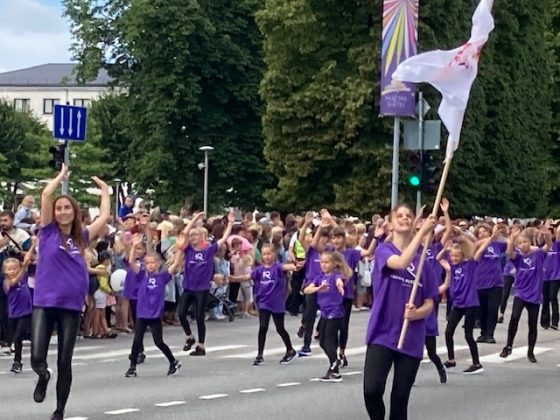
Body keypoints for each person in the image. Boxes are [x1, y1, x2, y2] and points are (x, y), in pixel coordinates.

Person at [31, 164, 110, 420]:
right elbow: (46, 195)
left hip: (71, 305)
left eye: (67, 208)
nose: (63, 212)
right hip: (45, 301)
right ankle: (43, 375)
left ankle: (59, 410)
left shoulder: (81, 237)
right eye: (59, 208)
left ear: (74, 212)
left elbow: (104, 217)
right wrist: (60, 177)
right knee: (37, 357)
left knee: (65, 361)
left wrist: (105, 191)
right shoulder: (48, 232)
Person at [363, 205, 436, 420]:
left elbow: (430, 302)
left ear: (413, 222)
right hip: (382, 333)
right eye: (399, 216)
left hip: (410, 337)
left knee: (399, 399)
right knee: (372, 390)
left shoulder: (423, 263)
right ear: (391, 224)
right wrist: (422, 233)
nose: (404, 218)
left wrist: (417, 313)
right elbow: (401, 262)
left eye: (408, 216)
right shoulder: (383, 251)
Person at [438, 226, 497, 375]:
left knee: (468, 335)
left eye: (457, 256)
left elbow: (478, 248)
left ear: (462, 255)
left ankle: (476, 363)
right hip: (458, 303)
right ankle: (451, 359)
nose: (454, 258)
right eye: (453, 256)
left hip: (470, 303)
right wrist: (445, 249)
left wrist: (487, 238)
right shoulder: (452, 266)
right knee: (448, 332)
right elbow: (438, 259)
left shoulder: (469, 264)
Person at [124, 234, 183, 377]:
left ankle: (173, 361)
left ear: (158, 264)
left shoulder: (162, 277)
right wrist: (134, 246)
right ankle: (132, 367)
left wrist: (180, 249)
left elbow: (175, 264)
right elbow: (131, 262)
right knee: (137, 340)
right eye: (147, 263)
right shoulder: (141, 275)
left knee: (158, 341)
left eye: (153, 263)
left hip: (155, 314)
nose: (150, 265)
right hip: (142, 313)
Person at [233, 243, 300, 366]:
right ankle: (260, 355)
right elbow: (247, 276)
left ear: (274, 254)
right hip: (264, 302)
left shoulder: (278, 267)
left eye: (269, 254)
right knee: (263, 327)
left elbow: (286, 267)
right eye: (264, 254)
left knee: (280, 328)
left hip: (277, 303)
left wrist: (294, 266)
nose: (267, 256)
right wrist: (233, 278)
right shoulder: (259, 270)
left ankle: (290, 350)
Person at [178, 211, 234, 356]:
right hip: (189, 287)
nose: (192, 237)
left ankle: (201, 346)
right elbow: (184, 233)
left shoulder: (208, 251)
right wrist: (194, 219)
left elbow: (224, 238)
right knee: (181, 314)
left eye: (195, 235)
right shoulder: (188, 250)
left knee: (199, 316)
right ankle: (189, 337)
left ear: (201, 237)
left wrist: (230, 224)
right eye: (191, 236)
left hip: (202, 289)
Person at [500, 224, 551, 363]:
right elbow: (509, 252)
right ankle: (508, 346)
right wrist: (513, 238)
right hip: (520, 293)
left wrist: (547, 235)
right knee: (514, 317)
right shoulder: (518, 258)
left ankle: (530, 351)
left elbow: (548, 246)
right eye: (521, 243)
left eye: (525, 242)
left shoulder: (538, 255)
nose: (524, 245)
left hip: (534, 295)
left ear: (530, 242)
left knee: (532, 324)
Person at [330, 221, 378, 367]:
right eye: (334, 238)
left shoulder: (351, 253)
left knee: (343, 325)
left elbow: (368, 252)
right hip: (331, 295)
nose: (336, 241)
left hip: (346, 294)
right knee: (332, 326)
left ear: (344, 239)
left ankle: (342, 352)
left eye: (339, 238)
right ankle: (333, 354)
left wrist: (376, 238)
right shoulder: (328, 253)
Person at [304, 251, 353, 382]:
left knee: (329, 340)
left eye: (327, 262)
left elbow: (339, 282)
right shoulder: (319, 278)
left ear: (334, 263)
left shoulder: (336, 276)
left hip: (335, 312)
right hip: (325, 313)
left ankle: (334, 370)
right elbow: (307, 290)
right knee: (322, 341)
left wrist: (340, 286)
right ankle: (334, 362)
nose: (324, 265)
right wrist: (318, 289)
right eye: (322, 262)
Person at [297, 211, 331, 357]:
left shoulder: (330, 252)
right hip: (312, 285)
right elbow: (302, 239)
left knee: (325, 312)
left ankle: (319, 332)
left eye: (326, 238)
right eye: (322, 237)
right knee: (310, 313)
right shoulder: (312, 251)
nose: (324, 240)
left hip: (325, 286)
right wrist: (307, 224)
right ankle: (306, 344)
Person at [2, 238, 35, 373]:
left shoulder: (24, 276)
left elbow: (27, 259)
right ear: (5, 271)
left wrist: (33, 245)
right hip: (14, 313)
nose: (12, 271)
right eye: (9, 269)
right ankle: (17, 361)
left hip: (25, 312)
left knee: (20, 334)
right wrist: (23, 267)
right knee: (18, 339)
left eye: (14, 268)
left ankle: (16, 352)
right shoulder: (7, 282)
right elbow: (14, 281)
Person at [474, 223, 507, 343]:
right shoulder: (476, 244)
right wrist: (491, 237)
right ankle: (483, 333)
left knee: (493, 309)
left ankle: (490, 334)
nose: (482, 234)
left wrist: (501, 235)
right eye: (479, 232)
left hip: (496, 282)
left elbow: (508, 243)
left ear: (489, 232)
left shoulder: (497, 244)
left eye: (484, 231)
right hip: (480, 282)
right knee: (482, 310)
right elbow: (476, 253)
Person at [541, 225, 560, 329]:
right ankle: (545, 321)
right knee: (545, 298)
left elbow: (558, 233)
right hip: (545, 276)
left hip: (555, 275)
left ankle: (555, 322)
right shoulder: (543, 246)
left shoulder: (557, 245)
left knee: (553, 297)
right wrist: (543, 231)